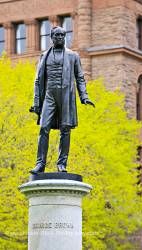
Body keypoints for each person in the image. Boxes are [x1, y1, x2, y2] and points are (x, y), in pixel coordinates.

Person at [30, 26, 94, 174]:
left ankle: (62, 164)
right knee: (44, 128)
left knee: (65, 129)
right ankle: (40, 164)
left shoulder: (73, 56)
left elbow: (80, 78)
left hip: (66, 95)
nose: (60, 37)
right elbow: (38, 80)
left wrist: (84, 96)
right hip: (49, 95)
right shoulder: (44, 56)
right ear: (51, 37)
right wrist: (35, 102)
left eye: (62, 35)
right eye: (57, 35)